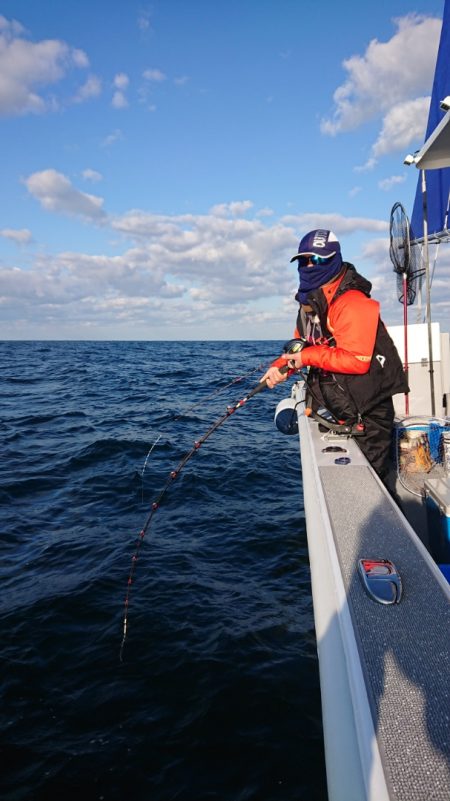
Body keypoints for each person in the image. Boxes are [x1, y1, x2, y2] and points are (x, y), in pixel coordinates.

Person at [262, 229, 408, 482]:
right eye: (303, 260)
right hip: (339, 408)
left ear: (334, 260)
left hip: (368, 412)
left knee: (375, 484)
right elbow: (302, 344)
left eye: (317, 260)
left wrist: (306, 357)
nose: (309, 266)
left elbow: (356, 360)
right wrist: (280, 366)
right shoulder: (310, 301)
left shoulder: (353, 301)